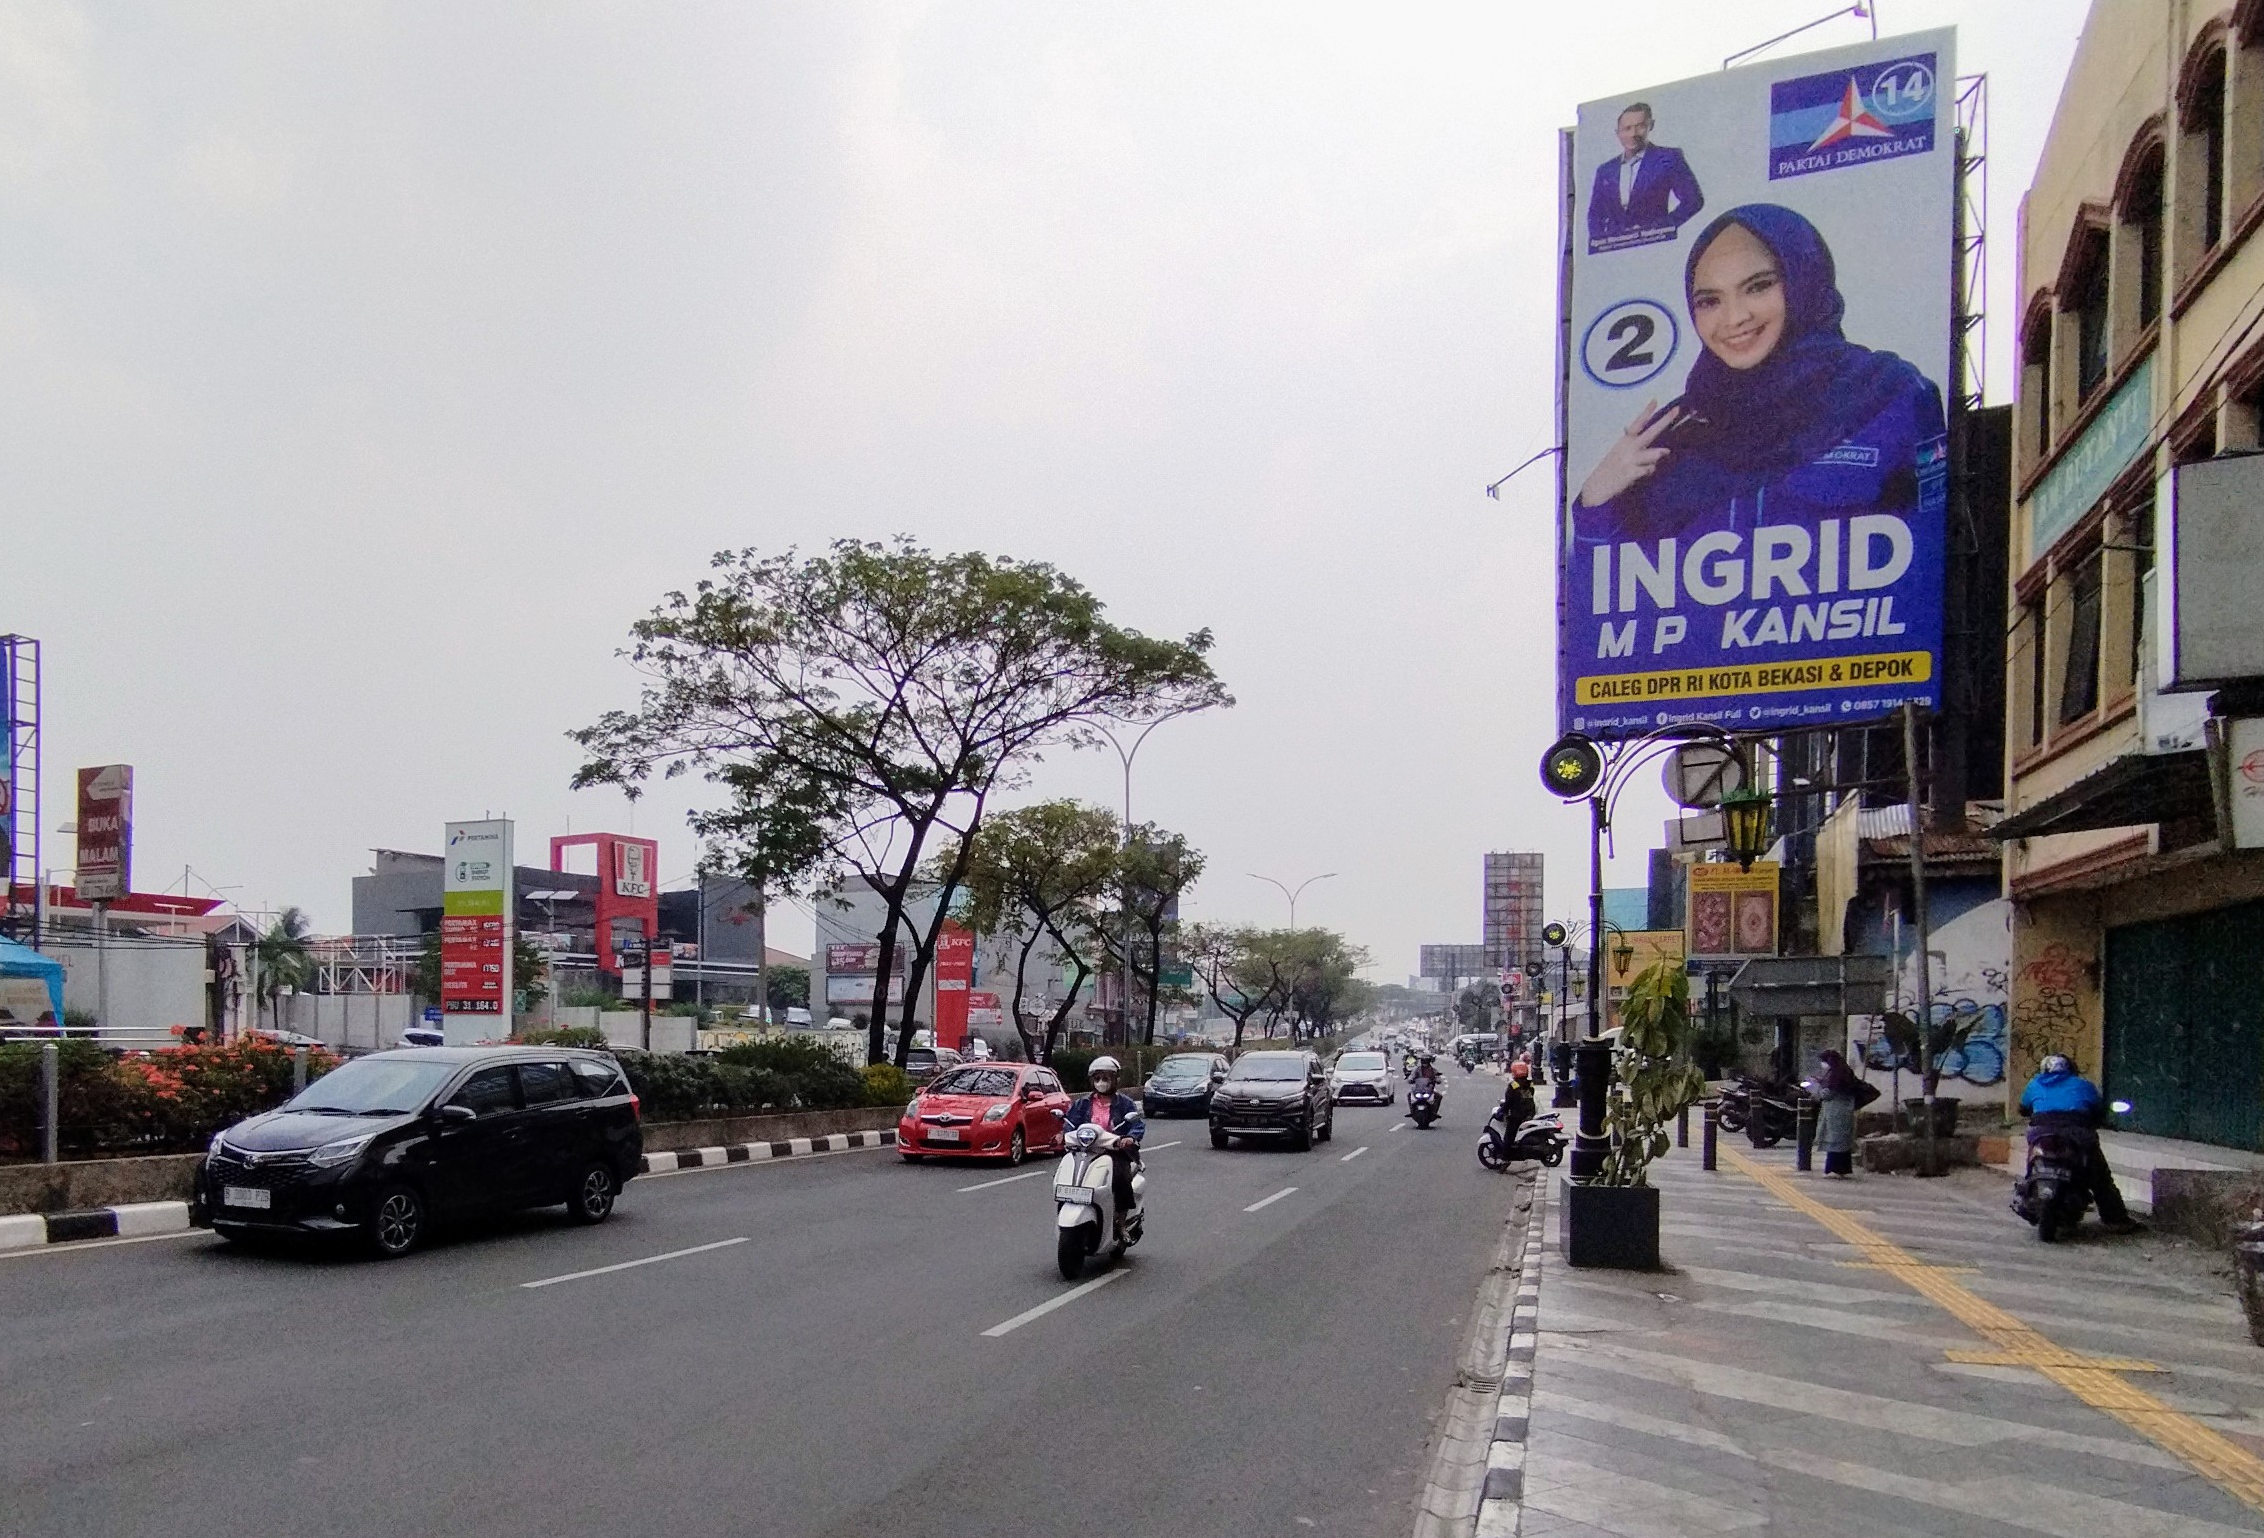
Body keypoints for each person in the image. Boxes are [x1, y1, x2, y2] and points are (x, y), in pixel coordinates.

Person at [1573, 203, 1948, 547]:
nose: (1735, 318)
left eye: (1758, 286)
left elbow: (1934, 555)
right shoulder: (1672, 430)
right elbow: (1611, 592)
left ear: (1804, 280)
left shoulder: (1892, 395)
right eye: (1710, 301)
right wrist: (1595, 500)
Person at [2017, 1054, 2138, 1233]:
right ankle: (2116, 1219)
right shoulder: (2083, 1085)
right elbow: (2098, 1110)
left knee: (2033, 1161)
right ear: (2071, 1068)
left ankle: (2029, 1186)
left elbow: (2022, 1109)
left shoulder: (2034, 1084)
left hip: (2042, 1133)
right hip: (2078, 1133)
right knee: (2100, 1177)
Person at [1586, 101, 1705, 253]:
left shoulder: (1668, 158)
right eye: (1627, 129)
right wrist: (1602, 241)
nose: (1633, 134)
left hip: (1654, 248)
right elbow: (1595, 213)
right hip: (1616, 253)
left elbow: (1693, 200)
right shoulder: (1606, 170)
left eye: (1640, 126)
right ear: (1618, 133)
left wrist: (1661, 228)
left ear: (1650, 125)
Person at [1061, 1055, 1145, 1234]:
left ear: (1115, 1080)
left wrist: (1129, 1138)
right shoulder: (1082, 1103)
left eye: (1106, 1078)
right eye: (1097, 1078)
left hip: (1114, 1151)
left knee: (1121, 1179)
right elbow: (1069, 1123)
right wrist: (1061, 1134)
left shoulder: (1125, 1104)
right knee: (1066, 1174)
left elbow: (1137, 1124)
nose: (1101, 1082)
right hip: (1085, 1150)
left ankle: (1121, 1222)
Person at [1812, 1049, 1860, 1179]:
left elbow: (1827, 1093)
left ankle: (1833, 1169)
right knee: (1842, 1143)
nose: (1823, 1064)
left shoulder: (1834, 1074)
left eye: (1824, 1061)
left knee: (1834, 1142)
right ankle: (1842, 1169)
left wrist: (1814, 1088)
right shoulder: (1845, 1071)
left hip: (1835, 1112)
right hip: (1845, 1110)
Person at [1498, 1060, 1538, 1136]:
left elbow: (1509, 1102)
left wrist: (1502, 1111)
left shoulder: (1513, 1086)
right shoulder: (1529, 1085)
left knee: (1508, 1141)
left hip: (1517, 1116)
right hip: (1530, 1114)